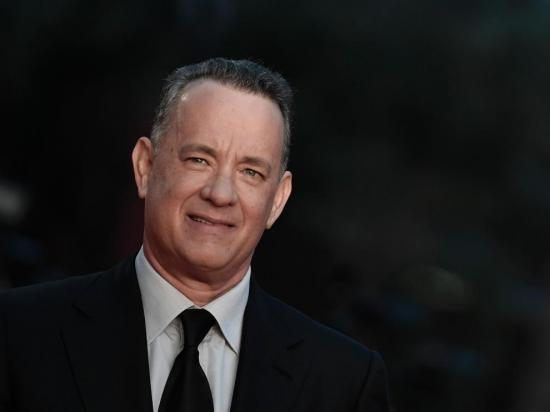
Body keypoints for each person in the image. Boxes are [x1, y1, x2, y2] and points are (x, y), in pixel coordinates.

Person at [0, 58, 389, 412]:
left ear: (277, 200)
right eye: (199, 159)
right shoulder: (19, 334)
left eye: (250, 172)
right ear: (145, 167)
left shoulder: (344, 382)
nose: (220, 194)